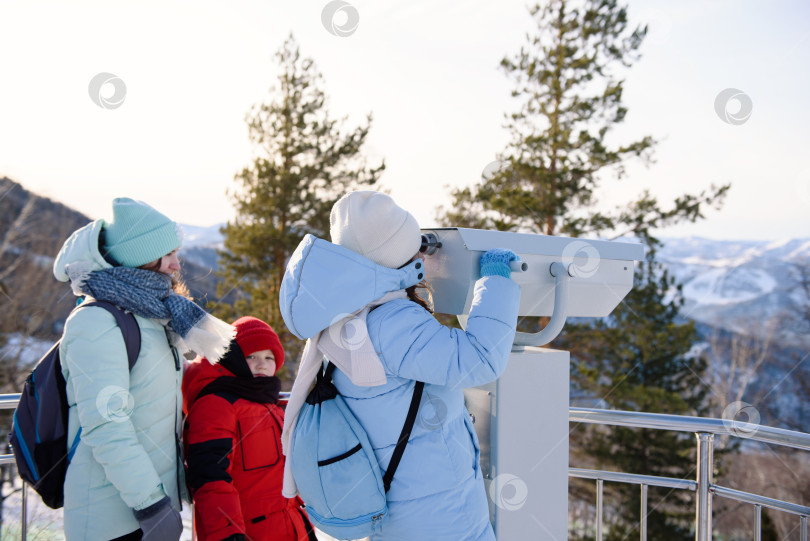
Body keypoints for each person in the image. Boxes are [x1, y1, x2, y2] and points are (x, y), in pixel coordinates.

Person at [281, 191, 521, 541]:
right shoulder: (392, 322)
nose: (423, 254)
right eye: (415, 247)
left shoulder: (344, 315)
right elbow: (480, 359)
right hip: (440, 516)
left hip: (396, 508)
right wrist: (496, 281)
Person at [54, 197, 235, 541]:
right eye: (165, 255)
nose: (176, 264)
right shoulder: (96, 322)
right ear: (139, 260)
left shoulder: (154, 316)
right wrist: (150, 504)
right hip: (113, 519)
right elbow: (107, 427)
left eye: (175, 252)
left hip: (150, 510)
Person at [183, 316, 316, 541]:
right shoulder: (217, 404)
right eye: (251, 356)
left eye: (269, 357)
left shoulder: (270, 405)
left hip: (290, 525)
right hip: (247, 532)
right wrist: (228, 533)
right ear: (233, 359)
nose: (262, 363)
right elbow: (210, 476)